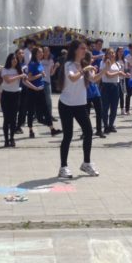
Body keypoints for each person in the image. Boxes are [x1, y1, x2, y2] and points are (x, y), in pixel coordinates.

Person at [57, 40, 98, 179]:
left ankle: (86, 163)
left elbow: (93, 79)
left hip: (80, 104)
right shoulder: (68, 64)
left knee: (88, 131)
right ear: (75, 50)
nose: (85, 51)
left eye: (85, 48)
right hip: (66, 104)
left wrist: (105, 69)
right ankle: (63, 167)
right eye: (82, 48)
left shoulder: (84, 65)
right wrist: (83, 70)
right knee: (68, 135)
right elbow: (73, 78)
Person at [25, 48, 61, 139]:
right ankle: (31, 130)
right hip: (33, 90)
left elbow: (44, 73)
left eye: (41, 52)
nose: (42, 53)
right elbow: (29, 78)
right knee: (31, 110)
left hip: (41, 89)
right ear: (35, 53)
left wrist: (43, 74)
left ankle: (52, 129)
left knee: (45, 109)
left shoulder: (40, 62)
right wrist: (40, 75)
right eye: (40, 52)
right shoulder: (32, 64)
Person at [0, 52, 25, 148]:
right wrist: (20, 76)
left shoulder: (19, 69)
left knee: (14, 118)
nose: (14, 60)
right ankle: (6, 140)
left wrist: (35, 87)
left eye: (16, 59)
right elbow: (8, 80)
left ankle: (12, 138)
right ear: (9, 60)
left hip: (16, 95)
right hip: (6, 95)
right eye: (13, 58)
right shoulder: (5, 70)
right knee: (7, 119)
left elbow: (25, 80)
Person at [99, 48, 124, 133]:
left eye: (113, 53)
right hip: (106, 86)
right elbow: (108, 75)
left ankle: (111, 125)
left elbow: (120, 75)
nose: (112, 54)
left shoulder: (117, 63)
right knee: (105, 107)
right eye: (110, 53)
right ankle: (105, 126)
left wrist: (125, 75)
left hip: (116, 86)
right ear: (106, 55)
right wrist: (118, 73)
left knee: (114, 108)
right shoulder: (103, 63)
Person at [84, 52, 105, 139]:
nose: (92, 59)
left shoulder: (91, 68)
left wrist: (94, 70)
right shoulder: (84, 68)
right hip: (87, 93)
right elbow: (92, 79)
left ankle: (99, 130)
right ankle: (85, 132)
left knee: (99, 112)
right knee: (86, 114)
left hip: (95, 92)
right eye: (91, 58)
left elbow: (94, 80)